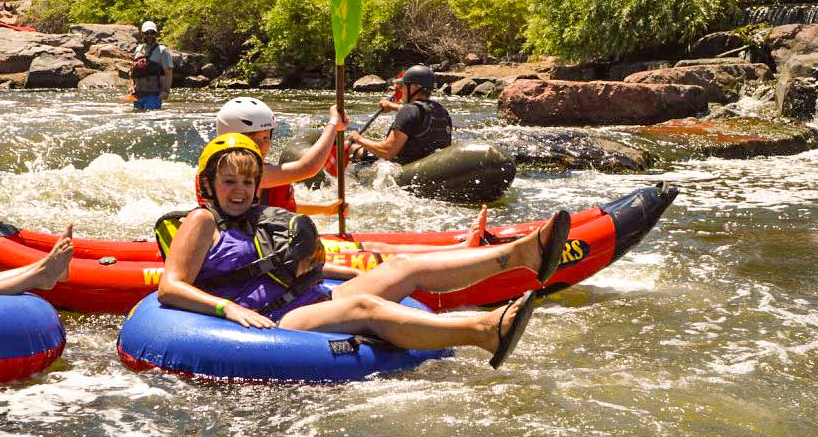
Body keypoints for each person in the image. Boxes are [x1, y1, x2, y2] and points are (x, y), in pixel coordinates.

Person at [157, 135, 570, 368]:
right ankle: (484, 331)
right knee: (366, 309)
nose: (240, 191)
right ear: (209, 184)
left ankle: (522, 254)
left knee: (403, 266)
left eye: (248, 183)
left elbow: (283, 266)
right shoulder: (201, 221)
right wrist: (228, 309)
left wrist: (348, 273)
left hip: (304, 296)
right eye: (229, 182)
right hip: (273, 319)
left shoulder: (256, 217)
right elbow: (170, 287)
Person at [212, 97, 487, 251]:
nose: (263, 145)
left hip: (271, 242)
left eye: (266, 138)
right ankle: (456, 251)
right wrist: (333, 125)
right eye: (255, 139)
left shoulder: (255, 171)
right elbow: (307, 168)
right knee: (372, 251)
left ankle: (456, 248)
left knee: (374, 246)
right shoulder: (236, 171)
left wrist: (326, 209)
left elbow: (277, 207)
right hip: (259, 250)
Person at [347, 65, 452, 164]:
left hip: (401, 166)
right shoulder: (442, 111)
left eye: (403, 86)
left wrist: (359, 139)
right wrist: (393, 106)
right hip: (428, 165)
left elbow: (387, 152)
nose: (401, 89)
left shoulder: (408, 111)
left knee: (351, 147)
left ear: (414, 88)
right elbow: (417, 115)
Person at [129, 20, 173, 111]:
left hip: (153, 95)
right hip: (137, 95)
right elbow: (132, 71)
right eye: (146, 33)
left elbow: (169, 72)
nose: (149, 36)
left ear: (156, 34)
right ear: (142, 34)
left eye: (152, 33)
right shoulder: (138, 49)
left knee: (150, 118)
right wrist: (131, 86)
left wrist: (166, 91)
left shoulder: (162, 51)